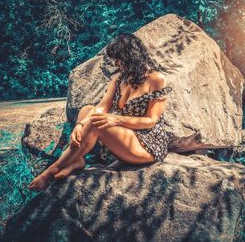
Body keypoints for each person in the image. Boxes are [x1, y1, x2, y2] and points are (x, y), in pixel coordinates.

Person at [28, 33, 173, 191]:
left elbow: (151, 120)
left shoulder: (156, 79)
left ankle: (51, 171)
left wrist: (116, 120)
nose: (117, 64)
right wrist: (80, 125)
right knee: (87, 110)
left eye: (119, 59)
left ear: (132, 56)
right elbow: (101, 107)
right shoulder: (119, 79)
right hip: (124, 137)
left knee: (97, 124)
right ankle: (77, 159)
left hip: (147, 145)